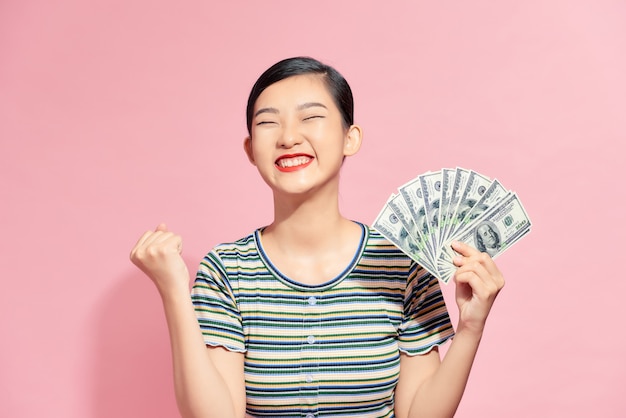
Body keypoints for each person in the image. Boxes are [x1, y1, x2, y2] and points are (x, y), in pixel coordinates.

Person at [130, 57, 505, 418]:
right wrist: (174, 291)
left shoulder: (402, 265)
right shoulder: (227, 271)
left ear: (350, 138)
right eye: (268, 123)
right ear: (250, 150)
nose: (289, 137)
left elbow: (417, 413)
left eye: (310, 117)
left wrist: (471, 327)